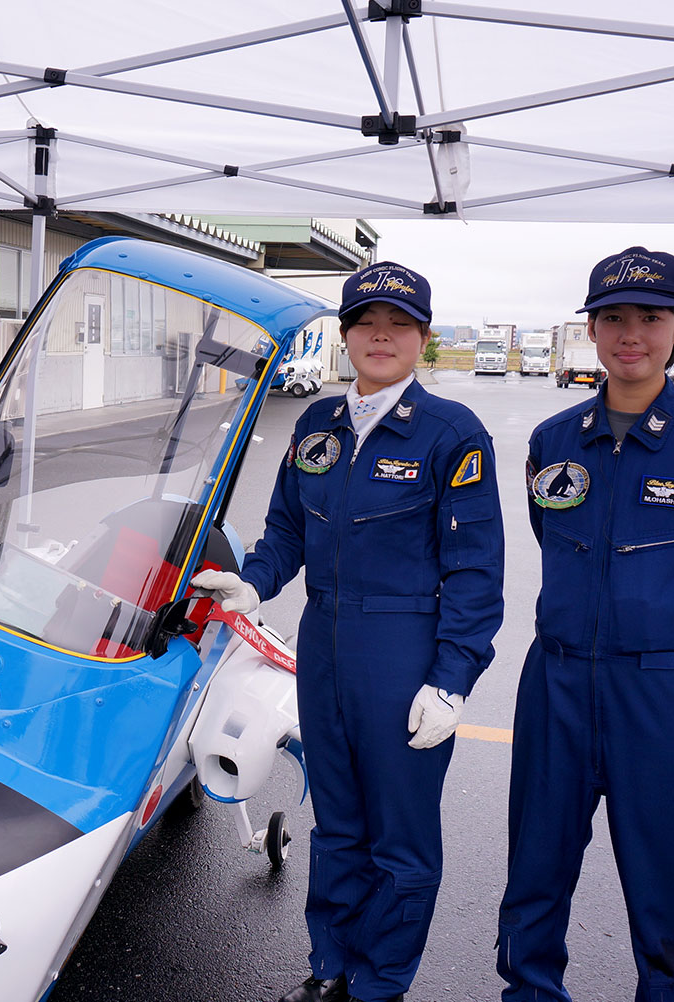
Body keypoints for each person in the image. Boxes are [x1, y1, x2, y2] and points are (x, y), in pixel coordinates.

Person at [193, 262, 504, 1002]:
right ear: (347, 335)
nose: (381, 335)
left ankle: (380, 980)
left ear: (422, 339)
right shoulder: (318, 424)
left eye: (399, 323)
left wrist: (451, 678)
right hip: (324, 641)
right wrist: (253, 581)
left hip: (404, 651)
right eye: (367, 322)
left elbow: (475, 572)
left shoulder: (451, 434)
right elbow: (285, 532)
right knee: (336, 823)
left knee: (400, 836)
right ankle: (330, 965)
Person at [497, 247, 674, 1002]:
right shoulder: (553, 440)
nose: (631, 334)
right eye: (613, 316)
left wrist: (666, 650)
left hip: (663, 690)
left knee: (671, 892)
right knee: (535, 875)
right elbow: (551, 539)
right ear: (590, 327)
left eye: (651, 317)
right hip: (555, 682)